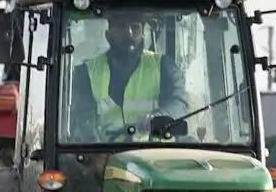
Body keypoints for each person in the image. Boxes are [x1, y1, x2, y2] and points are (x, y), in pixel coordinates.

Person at [69, 11, 188, 141]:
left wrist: (159, 116)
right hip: (106, 156)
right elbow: (83, 122)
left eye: (135, 27)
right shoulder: (86, 73)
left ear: (143, 34)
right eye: (121, 26)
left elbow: (178, 104)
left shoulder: (163, 67)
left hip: (157, 154)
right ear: (108, 35)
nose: (129, 33)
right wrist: (96, 153)